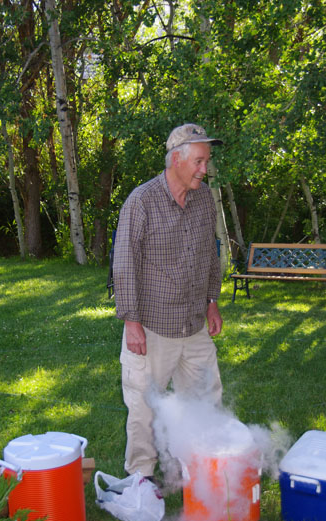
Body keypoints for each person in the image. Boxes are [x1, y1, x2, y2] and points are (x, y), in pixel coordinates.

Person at [113, 123, 224, 482]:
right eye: (199, 161)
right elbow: (124, 263)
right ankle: (140, 478)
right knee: (144, 408)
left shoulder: (204, 198)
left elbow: (211, 252)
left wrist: (212, 300)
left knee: (206, 399)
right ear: (176, 159)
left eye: (206, 162)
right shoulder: (141, 201)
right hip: (152, 327)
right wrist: (131, 321)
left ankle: (201, 470)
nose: (204, 170)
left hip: (193, 326)